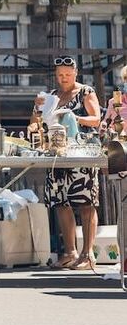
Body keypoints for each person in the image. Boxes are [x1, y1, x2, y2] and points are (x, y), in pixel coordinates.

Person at [32, 56, 101, 270]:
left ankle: (87, 254)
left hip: (82, 153)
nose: (64, 78)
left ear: (76, 73)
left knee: (86, 202)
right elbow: (35, 125)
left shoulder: (85, 92)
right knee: (61, 202)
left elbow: (96, 119)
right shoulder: (52, 96)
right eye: (60, 74)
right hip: (56, 154)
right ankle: (70, 252)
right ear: (56, 75)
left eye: (68, 74)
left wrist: (72, 117)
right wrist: (36, 109)